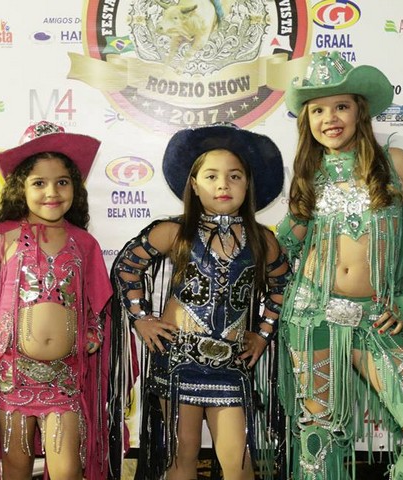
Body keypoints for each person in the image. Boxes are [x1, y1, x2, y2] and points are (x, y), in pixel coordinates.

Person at [277, 51, 403, 480]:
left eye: (341, 106)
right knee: (318, 437)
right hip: (311, 316)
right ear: (306, 120)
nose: (329, 118)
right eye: (317, 110)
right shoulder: (308, 173)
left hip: (375, 318)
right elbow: (283, 245)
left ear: (360, 111)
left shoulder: (395, 162)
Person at [112, 123, 291, 480]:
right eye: (211, 176)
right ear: (193, 184)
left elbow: (282, 285)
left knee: (239, 463)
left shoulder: (262, 240)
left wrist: (263, 334)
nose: (223, 185)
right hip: (177, 362)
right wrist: (141, 318)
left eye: (234, 176)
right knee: (183, 456)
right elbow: (126, 268)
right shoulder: (174, 231)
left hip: (231, 366)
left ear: (248, 185)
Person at [0, 121, 112, 480]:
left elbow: (98, 305)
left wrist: (93, 331)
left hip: (65, 380)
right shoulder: (1, 238)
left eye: (62, 182)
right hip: (12, 378)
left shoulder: (85, 244)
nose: (51, 192)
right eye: (39, 183)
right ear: (19, 188)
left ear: (75, 188)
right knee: (16, 471)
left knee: (68, 471)